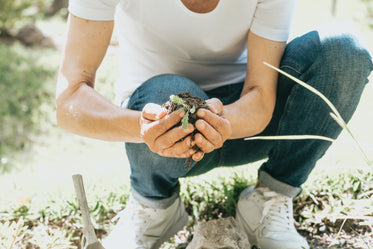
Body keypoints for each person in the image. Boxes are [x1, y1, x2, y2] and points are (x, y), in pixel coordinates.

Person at [56, 0, 373, 248]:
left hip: (243, 121)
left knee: (344, 50)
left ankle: (270, 198)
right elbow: (70, 98)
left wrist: (223, 120)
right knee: (167, 90)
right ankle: (153, 206)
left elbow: (260, 96)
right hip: (157, 135)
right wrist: (141, 126)